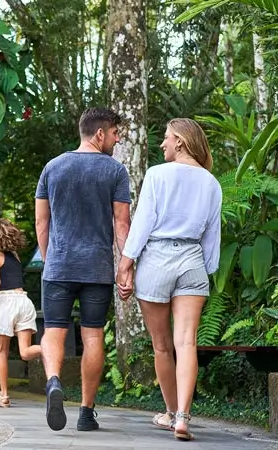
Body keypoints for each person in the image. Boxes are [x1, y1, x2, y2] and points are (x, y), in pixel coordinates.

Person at [116, 118, 221, 442]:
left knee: (162, 346)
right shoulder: (211, 183)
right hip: (192, 261)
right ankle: (183, 419)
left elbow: (144, 221)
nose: (162, 144)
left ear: (180, 141)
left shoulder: (158, 175)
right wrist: (205, 269)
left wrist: (125, 264)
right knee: (187, 342)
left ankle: (171, 412)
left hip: (157, 259)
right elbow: (212, 239)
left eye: (166, 138)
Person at [34, 107, 131, 432]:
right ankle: (86, 412)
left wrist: (50, 260)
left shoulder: (53, 167)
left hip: (59, 267)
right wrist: (125, 266)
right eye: (115, 133)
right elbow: (121, 223)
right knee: (92, 335)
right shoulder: (115, 171)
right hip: (96, 270)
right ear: (100, 133)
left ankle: (53, 382)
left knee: (54, 330)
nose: (118, 139)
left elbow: (41, 221)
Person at [0, 218, 42, 408]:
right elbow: (9, 283)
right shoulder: (14, 255)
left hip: (6, 305)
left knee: (2, 351)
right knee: (25, 352)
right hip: (24, 302)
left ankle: (4, 395)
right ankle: (50, 349)